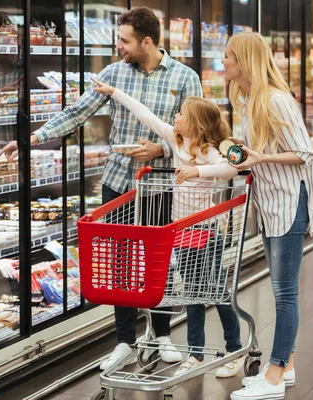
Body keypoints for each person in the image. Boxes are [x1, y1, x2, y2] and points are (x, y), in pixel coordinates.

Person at [0, 7, 202, 370]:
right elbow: (76, 113)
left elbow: (198, 135)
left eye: (124, 40)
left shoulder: (185, 78)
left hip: (161, 184)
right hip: (118, 182)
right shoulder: (113, 73)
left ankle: (162, 335)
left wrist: (162, 148)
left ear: (147, 41)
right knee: (121, 264)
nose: (118, 46)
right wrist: (30, 139)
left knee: (158, 263)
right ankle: (125, 340)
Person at [92, 78, 244, 378]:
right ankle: (196, 355)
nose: (175, 117)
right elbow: (144, 113)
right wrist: (115, 92)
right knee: (191, 294)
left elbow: (231, 167)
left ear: (196, 124)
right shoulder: (175, 140)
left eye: (181, 114)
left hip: (208, 232)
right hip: (183, 232)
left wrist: (196, 170)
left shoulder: (208, 151)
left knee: (215, 291)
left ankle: (235, 347)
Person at [221, 32, 313, 400]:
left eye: (228, 55)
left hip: (289, 202)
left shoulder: (275, 101)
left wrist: (260, 158)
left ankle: (274, 376)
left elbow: (304, 152)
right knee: (282, 289)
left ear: (243, 61)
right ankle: (286, 366)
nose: (223, 60)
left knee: (284, 292)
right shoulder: (249, 101)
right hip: (270, 204)